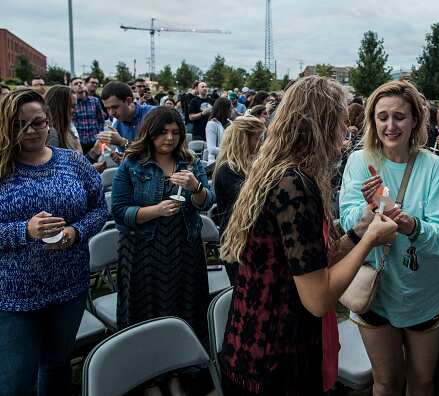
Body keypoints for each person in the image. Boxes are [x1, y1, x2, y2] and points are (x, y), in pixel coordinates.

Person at [218, 76, 398, 395]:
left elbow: (312, 260)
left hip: (254, 348)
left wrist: (361, 229)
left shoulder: (282, 173)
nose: (346, 132)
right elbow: (318, 299)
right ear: (322, 125)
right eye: (341, 122)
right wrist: (372, 239)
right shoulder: (294, 186)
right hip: (275, 360)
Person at [340, 80, 439, 396]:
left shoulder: (436, 168)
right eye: (382, 117)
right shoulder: (359, 162)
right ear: (372, 120)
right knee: (386, 381)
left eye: (399, 117)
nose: (390, 125)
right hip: (375, 293)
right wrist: (369, 211)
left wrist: (406, 222)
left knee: (422, 381)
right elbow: (348, 223)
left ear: (415, 120)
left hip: (422, 294)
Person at [0, 89, 107, 395]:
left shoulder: (72, 161)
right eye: (21, 124)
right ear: (6, 125)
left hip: (69, 288)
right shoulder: (2, 167)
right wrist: (25, 230)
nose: (32, 131)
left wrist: (76, 232)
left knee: (57, 367)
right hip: (13, 297)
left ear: (49, 122)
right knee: (16, 381)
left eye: (38, 122)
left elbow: (99, 207)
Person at [111, 106, 215, 396]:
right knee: (147, 316)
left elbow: (206, 203)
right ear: (150, 133)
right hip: (144, 252)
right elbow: (119, 211)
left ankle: (179, 371)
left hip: (184, 251)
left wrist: (196, 188)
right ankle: (150, 378)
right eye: (162, 132)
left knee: (184, 313)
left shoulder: (189, 161)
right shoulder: (132, 164)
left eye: (174, 132)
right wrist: (154, 211)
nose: (169, 138)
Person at [213, 115, 265, 284]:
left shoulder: (250, 165)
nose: (261, 143)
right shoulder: (227, 169)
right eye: (257, 138)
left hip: (248, 237)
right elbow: (250, 198)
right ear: (243, 139)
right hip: (236, 241)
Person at [100, 81, 156, 151]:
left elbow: (156, 152)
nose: (111, 113)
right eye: (107, 108)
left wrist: (123, 143)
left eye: (115, 107)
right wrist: (120, 159)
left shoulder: (153, 115)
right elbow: (129, 157)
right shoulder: (117, 126)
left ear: (129, 101)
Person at [45, 85, 83, 153]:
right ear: (60, 108)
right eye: (72, 106)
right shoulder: (51, 135)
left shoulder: (69, 126)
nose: (76, 111)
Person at [71, 77, 105, 153]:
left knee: (99, 163)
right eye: (76, 84)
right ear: (71, 88)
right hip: (79, 143)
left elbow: (101, 120)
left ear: (85, 85)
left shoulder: (94, 101)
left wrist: (100, 136)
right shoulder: (71, 104)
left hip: (94, 141)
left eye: (81, 82)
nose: (79, 84)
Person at [205, 97, 232, 165]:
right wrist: (231, 150)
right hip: (216, 163)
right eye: (230, 108)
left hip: (229, 161)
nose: (232, 111)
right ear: (224, 110)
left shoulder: (231, 123)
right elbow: (211, 149)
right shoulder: (212, 124)